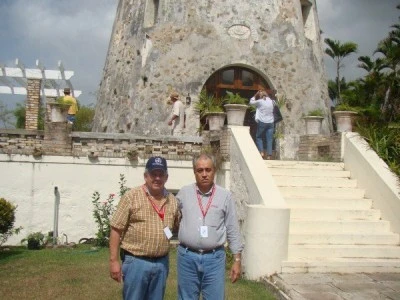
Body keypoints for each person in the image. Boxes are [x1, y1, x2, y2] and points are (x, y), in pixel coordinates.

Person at [109, 156, 180, 300]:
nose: (157, 178)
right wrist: (114, 261)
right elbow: (116, 229)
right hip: (136, 262)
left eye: (161, 174)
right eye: (154, 174)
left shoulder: (172, 200)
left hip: (161, 263)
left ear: (166, 177)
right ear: (146, 176)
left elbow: (178, 226)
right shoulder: (131, 196)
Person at [176, 153, 244, 300]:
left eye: (208, 170)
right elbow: (171, 219)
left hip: (214, 259)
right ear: (194, 172)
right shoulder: (183, 193)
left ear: (214, 171)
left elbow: (232, 228)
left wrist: (237, 260)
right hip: (187, 258)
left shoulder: (225, 196)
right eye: (200, 170)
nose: (204, 174)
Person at [250, 90, 275, 160]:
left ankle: (261, 152)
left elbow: (251, 102)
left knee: (259, 137)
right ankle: (269, 155)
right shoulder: (272, 102)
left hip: (262, 122)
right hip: (271, 122)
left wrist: (255, 95)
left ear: (260, 96)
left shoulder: (260, 101)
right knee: (269, 139)